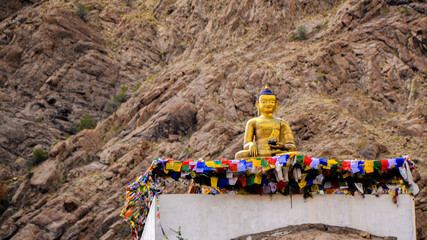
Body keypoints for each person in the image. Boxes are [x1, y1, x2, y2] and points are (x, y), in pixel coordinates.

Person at [235, 85, 297, 159]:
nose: (268, 105)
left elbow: (292, 146)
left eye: (271, 102)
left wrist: (282, 146)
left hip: (276, 152)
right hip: (259, 152)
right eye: (264, 102)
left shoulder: (282, 123)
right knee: (240, 155)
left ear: (276, 104)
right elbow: (246, 145)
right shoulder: (252, 122)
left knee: (297, 155)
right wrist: (251, 144)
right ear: (258, 104)